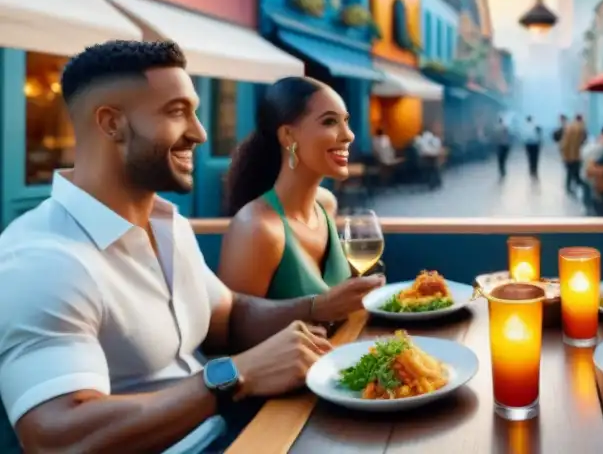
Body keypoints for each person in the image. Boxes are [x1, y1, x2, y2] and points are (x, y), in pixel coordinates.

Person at [0, 41, 384, 453]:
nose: (200, 133)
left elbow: (229, 317)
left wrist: (317, 308)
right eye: (177, 112)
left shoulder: (169, 226)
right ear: (112, 124)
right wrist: (233, 375)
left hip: (239, 433)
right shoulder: (43, 261)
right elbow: (56, 438)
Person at [218, 77, 387, 299]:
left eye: (346, 121)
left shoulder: (326, 205)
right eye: (330, 122)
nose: (349, 135)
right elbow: (232, 328)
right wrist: (320, 308)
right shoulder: (256, 228)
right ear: (288, 136)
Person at [559, 114, 587, 192]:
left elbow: (564, 143)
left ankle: (569, 187)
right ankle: (583, 188)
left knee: (571, 173)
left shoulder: (569, 127)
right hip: (575, 156)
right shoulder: (579, 128)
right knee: (575, 173)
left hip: (568, 155)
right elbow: (581, 142)